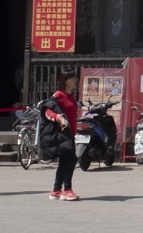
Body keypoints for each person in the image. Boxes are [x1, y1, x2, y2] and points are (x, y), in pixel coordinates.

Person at [44, 70, 80, 200]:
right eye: (71, 78)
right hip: (62, 135)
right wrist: (57, 117)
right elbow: (47, 111)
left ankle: (56, 190)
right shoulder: (58, 95)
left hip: (70, 134)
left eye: (75, 78)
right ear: (64, 80)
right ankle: (67, 189)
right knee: (71, 159)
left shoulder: (71, 96)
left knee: (64, 162)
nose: (75, 80)